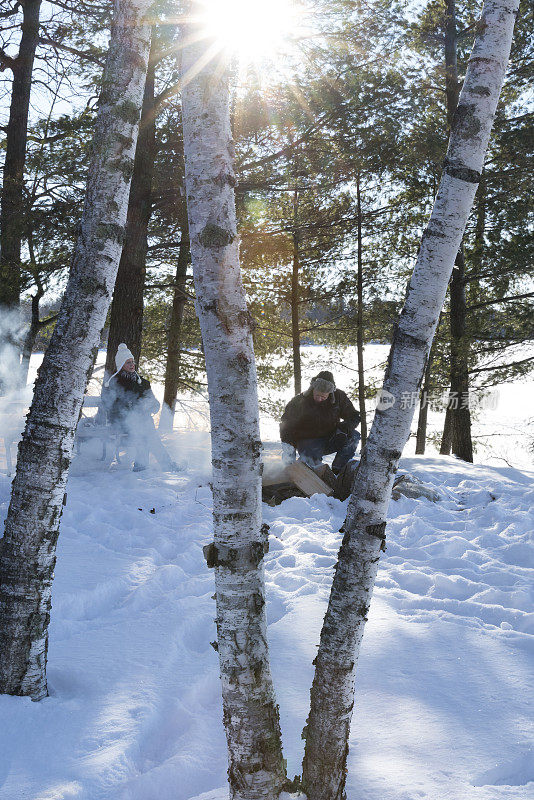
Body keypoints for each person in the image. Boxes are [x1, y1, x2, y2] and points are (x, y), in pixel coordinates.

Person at [103, 343, 181, 472]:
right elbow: (111, 407)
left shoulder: (143, 383)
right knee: (146, 433)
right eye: (128, 362)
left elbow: (154, 403)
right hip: (122, 424)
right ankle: (152, 466)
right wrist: (131, 410)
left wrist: (148, 407)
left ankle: (145, 466)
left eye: (132, 361)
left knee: (147, 432)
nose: (132, 364)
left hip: (143, 422)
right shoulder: (114, 383)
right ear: (121, 364)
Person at [280, 370, 361, 474]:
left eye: (323, 397)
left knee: (353, 436)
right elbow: (286, 424)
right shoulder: (299, 401)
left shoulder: (339, 397)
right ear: (312, 389)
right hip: (307, 442)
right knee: (312, 470)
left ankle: (338, 470)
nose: (319, 399)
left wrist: (345, 427)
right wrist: (288, 448)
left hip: (330, 438)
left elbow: (354, 416)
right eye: (317, 395)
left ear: (330, 394)